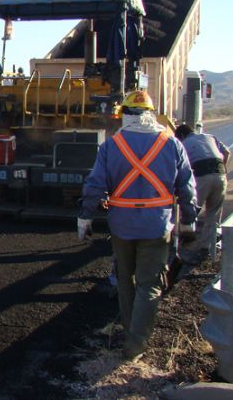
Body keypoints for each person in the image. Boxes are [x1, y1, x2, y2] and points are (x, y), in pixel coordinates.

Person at [78, 90, 197, 361]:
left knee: (125, 280)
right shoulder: (171, 144)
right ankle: (135, 344)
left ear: (125, 116)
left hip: (121, 226)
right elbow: (187, 187)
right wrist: (188, 218)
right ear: (150, 114)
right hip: (156, 227)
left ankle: (130, 331)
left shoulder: (112, 145)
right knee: (149, 285)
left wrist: (85, 217)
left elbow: (95, 185)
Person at [175, 123, 230, 263]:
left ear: (181, 136)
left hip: (201, 177)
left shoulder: (184, 144)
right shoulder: (209, 137)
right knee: (213, 214)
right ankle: (207, 249)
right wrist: (224, 169)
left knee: (191, 210)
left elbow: (180, 167)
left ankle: (183, 247)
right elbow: (227, 152)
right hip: (221, 176)